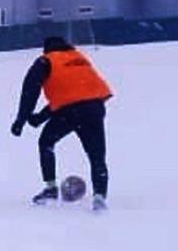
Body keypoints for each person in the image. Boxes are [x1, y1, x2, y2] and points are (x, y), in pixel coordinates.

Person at [10, 36, 113, 211]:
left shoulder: (45, 61)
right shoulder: (79, 58)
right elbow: (71, 94)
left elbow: (30, 91)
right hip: (94, 108)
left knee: (46, 142)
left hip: (71, 112)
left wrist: (21, 119)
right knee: (97, 155)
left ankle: (50, 188)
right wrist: (39, 118)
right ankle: (100, 196)